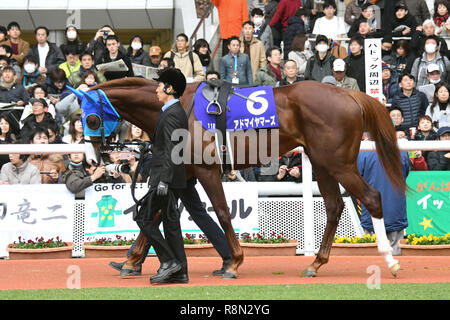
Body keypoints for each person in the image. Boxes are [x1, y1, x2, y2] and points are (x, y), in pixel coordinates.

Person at [134, 68, 189, 284]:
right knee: (171, 225)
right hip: (170, 177)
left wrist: (163, 180)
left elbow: (172, 151)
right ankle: (180, 271)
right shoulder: (173, 112)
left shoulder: (172, 114)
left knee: (143, 218)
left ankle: (168, 261)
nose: (157, 89)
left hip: (165, 179)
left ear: (170, 88)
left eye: (160, 85)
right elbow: (166, 147)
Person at [357, 134, 410, 256]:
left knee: (373, 254)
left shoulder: (362, 151)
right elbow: (406, 172)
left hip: (372, 210)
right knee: (395, 253)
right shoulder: (402, 151)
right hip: (395, 210)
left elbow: (358, 176)